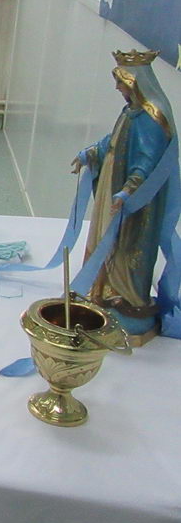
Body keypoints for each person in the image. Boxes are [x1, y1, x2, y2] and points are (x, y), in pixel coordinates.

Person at [72, 50, 181, 343]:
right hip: (114, 189)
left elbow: (148, 161)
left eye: (121, 82)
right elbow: (114, 140)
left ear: (135, 83)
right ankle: (103, 291)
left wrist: (129, 190)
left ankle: (127, 299)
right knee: (107, 240)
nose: (118, 88)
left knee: (128, 246)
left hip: (135, 203)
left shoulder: (151, 118)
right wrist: (90, 153)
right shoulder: (130, 111)